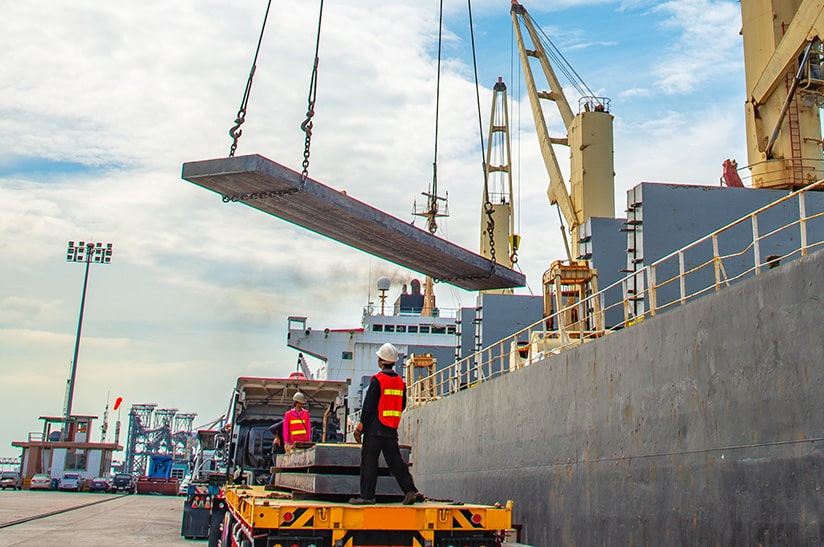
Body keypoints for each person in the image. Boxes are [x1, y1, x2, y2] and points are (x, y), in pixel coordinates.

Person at [349, 343, 421, 505]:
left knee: (369, 461)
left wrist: (360, 427)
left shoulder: (377, 380)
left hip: (375, 428)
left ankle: (367, 496)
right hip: (390, 429)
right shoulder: (400, 383)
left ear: (381, 361)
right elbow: (402, 405)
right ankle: (410, 490)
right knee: (396, 462)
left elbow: (368, 406)